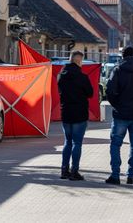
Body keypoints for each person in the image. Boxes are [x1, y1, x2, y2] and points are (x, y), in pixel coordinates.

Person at [106, 46, 133, 185]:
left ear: (123, 56)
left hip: (121, 114)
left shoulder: (118, 70)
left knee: (115, 144)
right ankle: (131, 175)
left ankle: (115, 175)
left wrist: (116, 105)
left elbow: (110, 91)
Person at [58, 51, 93, 180]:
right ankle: (74, 171)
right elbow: (90, 93)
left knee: (67, 141)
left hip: (66, 112)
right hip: (79, 113)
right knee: (77, 143)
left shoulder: (61, 76)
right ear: (79, 61)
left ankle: (64, 170)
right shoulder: (83, 77)